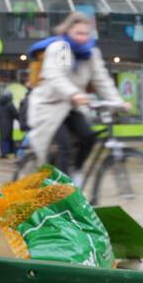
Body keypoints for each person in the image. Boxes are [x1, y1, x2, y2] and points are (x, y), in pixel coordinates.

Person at [26, 12, 128, 183]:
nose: (83, 38)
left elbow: (101, 79)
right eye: (78, 33)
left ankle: (75, 171)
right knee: (64, 146)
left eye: (86, 34)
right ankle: (62, 193)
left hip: (71, 106)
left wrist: (117, 102)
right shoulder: (63, 48)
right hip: (50, 105)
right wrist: (74, 93)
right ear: (68, 32)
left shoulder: (90, 53)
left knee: (89, 136)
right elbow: (57, 74)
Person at [0, 86, 22, 159]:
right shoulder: (10, 104)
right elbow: (15, 114)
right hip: (9, 124)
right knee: (7, 138)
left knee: (4, 139)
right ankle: (6, 153)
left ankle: (8, 152)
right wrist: (20, 120)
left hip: (1, 125)